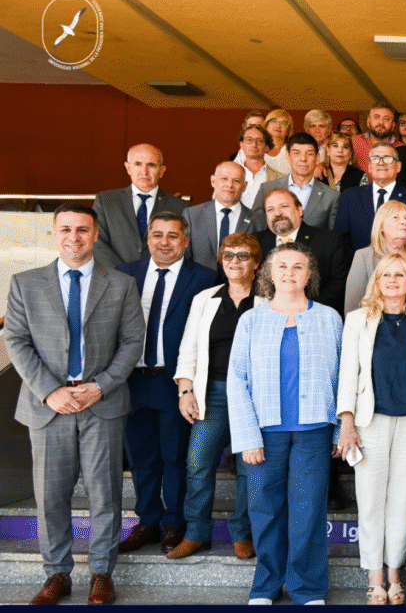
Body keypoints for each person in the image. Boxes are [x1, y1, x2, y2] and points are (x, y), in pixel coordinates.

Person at [7, 203, 145, 605]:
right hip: (47, 404)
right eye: (65, 229)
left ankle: (101, 572)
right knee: (50, 495)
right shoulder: (25, 283)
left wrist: (100, 385)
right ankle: (57, 575)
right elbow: (16, 341)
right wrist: (50, 390)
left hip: (101, 401)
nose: (74, 237)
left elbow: (132, 343)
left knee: (105, 493)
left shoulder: (119, 284)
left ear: (96, 235)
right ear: (54, 233)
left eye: (82, 229)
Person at [227, 242, 343, 605]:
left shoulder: (329, 318)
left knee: (308, 511)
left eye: (298, 267)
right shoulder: (251, 320)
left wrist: (342, 429)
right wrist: (247, 436)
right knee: (264, 510)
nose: (290, 273)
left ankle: (307, 589)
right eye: (282, 266)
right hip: (265, 433)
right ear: (269, 274)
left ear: (310, 275)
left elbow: (343, 379)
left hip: (313, 431)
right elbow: (237, 379)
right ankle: (266, 586)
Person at [116, 213, 218, 555]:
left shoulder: (204, 278)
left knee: (175, 456)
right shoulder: (126, 275)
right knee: (141, 457)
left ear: (185, 241)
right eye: (157, 235)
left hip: (175, 382)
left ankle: (175, 522)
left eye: (173, 236)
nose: (164, 242)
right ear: (148, 240)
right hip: (132, 380)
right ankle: (147, 522)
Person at [336, 254, 406, 605]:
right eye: (386, 274)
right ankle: (374, 577)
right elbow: (348, 373)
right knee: (371, 502)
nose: (392, 280)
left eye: (400, 275)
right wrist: (346, 421)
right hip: (369, 421)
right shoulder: (358, 320)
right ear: (376, 281)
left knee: (402, 501)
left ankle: (395, 574)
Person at [168, 232, 262, 561]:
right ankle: (196, 532)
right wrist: (186, 389)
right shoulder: (205, 299)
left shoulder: (270, 299)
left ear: (256, 262)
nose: (234, 261)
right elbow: (188, 348)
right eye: (228, 255)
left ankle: (243, 532)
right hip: (213, 392)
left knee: (251, 466)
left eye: (243, 255)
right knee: (198, 463)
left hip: (255, 397)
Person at [255, 188, 350, 316]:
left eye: (284, 206)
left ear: (299, 210)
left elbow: (340, 284)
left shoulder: (330, 241)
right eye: (270, 209)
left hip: (314, 317)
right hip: (265, 317)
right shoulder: (254, 243)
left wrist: (304, 310)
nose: (277, 213)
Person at [92, 143, 190, 268]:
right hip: (116, 279)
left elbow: (183, 248)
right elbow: (97, 242)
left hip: (160, 279)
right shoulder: (106, 201)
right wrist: (124, 274)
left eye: (151, 165)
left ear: (162, 171)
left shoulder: (180, 206)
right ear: (128, 168)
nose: (144, 171)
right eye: (138, 164)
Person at [344, 200, 406, 314]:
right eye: (396, 217)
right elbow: (352, 307)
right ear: (381, 226)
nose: (404, 222)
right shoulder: (363, 257)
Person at [333, 141, 406, 253]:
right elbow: (340, 240)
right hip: (360, 267)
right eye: (375, 159)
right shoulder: (350, 197)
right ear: (369, 167)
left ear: (398, 166)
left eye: (387, 158)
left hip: (400, 267)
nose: (381, 163)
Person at [253, 132, 341, 233]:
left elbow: (334, 238)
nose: (303, 159)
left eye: (309, 154)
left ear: (317, 158)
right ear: (287, 156)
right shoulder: (267, 189)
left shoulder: (332, 197)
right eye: (296, 153)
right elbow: (257, 228)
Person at [183, 162, 256, 272]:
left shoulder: (258, 220)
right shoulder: (192, 215)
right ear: (213, 181)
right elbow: (183, 256)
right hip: (200, 286)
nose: (230, 185)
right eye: (224, 179)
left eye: (236, 181)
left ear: (244, 186)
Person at [236, 125, 277, 209]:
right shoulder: (229, 174)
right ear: (242, 145)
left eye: (260, 141)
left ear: (267, 147)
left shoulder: (279, 178)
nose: (254, 145)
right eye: (249, 140)